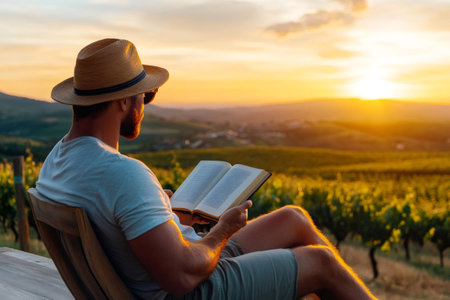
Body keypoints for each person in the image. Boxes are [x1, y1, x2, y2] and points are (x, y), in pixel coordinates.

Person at [36, 38, 376, 300]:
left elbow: (116, 223)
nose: (145, 105)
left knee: (293, 219)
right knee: (321, 263)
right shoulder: (124, 173)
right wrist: (223, 229)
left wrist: (166, 216)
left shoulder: (58, 161)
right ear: (125, 101)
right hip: (191, 288)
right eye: (146, 96)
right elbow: (181, 277)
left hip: (165, 263)